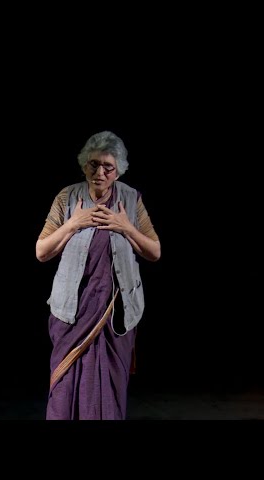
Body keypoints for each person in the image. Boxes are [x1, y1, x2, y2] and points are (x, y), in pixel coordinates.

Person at [36, 130, 161, 420]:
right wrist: (73, 224)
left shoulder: (131, 199)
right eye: (94, 164)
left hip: (115, 317)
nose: (100, 173)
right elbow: (41, 251)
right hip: (72, 315)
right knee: (64, 393)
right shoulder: (67, 197)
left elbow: (154, 251)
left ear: (118, 170)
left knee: (108, 395)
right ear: (84, 165)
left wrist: (126, 227)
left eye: (108, 167)